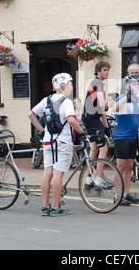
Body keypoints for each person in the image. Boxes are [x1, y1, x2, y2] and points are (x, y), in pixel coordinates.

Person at [28, 73, 84, 217]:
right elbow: (71, 120)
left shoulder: (46, 100)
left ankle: (45, 207)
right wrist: (81, 131)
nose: (72, 87)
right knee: (58, 173)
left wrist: (42, 130)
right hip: (63, 141)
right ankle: (55, 207)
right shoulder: (66, 102)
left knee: (48, 172)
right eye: (70, 84)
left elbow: (31, 115)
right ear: (63, 86)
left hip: (48, 141)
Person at [112, 74, 139, 205]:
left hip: (133, 137)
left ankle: (126, 193)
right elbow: (115, 109)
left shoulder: (138, 100)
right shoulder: (122, 97)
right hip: (122, 137)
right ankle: (117, 195)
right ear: (127, 86)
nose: (137, 86)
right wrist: (127, 95)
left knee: (129, 166)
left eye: (138, 84)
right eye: (134, 84)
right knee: (120, 166)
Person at [82, 61, 111, 189]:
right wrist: (107, 105)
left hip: (89, 118)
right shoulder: (98, 83)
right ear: (98, 71)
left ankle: (88, 181)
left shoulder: (95, 82)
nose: (107, 72)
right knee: (103, 149)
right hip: (92, 119)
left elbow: (101, 111)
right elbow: (101, 106)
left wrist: (106, 126)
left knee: (94, 148)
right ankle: (98, 180)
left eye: (108, 70)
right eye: (104, 70)